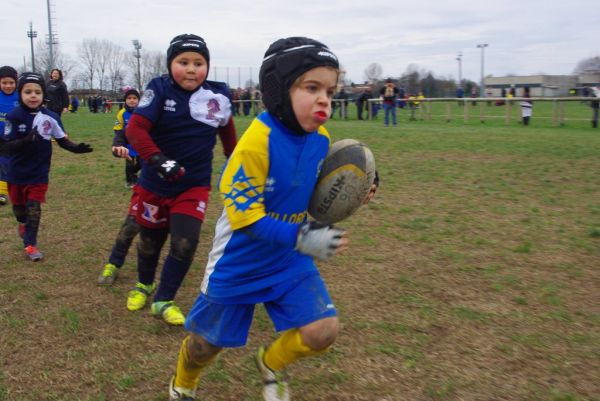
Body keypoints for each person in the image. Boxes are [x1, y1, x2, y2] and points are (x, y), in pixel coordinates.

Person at [167, 36, 378, 401]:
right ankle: (184, 383)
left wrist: (364, 185)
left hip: (287, 260)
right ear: (279, 90)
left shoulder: (320, 139)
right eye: (312, 87)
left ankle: (271, 364)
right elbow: (247, 219)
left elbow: (326, 183)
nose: (324, 98)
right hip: (239, 261)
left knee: (323, 330)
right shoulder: (255, 144)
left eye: (330, 89)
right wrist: (304, 237)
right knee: (205, 346)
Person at [124, 33, 237, 325]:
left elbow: (227, 133)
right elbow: (135, 130)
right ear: (170, 63)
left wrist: (235, 161)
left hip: (193, 184)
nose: (191, 69)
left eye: (199, 63)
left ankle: (164, 299)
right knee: (149, 241)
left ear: (207, 67)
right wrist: (159, 161)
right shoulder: (159, 89)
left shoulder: (219, 95)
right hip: (154, 183)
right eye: (183, 61)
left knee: (186, 241)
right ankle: (143, 284)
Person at [0, 72, 93, 261]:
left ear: (43, 95)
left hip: (39, 173)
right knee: (20, 210)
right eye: (28, 92)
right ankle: (22, 223)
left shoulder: (50, 117)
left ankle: (30, 245)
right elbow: (7, 147)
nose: (33, 96)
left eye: (37, 92)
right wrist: (25, 141)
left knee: (34, 209)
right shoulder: (14, 116)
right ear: (20, 94)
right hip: (16, 172)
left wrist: (76, 149)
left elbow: (61, 140)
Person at [97, 87, 142, 285]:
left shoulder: (146, 113)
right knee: (132, 223)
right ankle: (114, 263)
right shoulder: (122, 114)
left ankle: (146, 281)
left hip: (148, 153)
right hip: (128, 147)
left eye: (135, 98)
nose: (132, 101)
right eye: (129, 98)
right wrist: (117, 145)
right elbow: (118, 134)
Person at [0, 66, 19, 206]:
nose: (8, 86)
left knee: (7, 163)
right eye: (4, 83)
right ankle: (2, 192)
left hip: (13, 137)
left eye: (11, 83)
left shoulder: (19, 96)